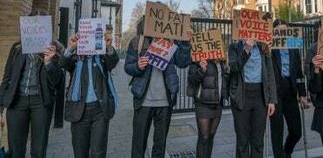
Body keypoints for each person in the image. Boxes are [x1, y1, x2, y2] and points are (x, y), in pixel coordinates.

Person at [124, 17, 192, 158]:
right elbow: (128, 67)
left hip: (165, 102)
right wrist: (138, 66)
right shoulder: (138, 41)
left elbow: (183, 63)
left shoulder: (171, 41)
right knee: (138, 145)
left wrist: (185, 43)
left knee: (160, 146)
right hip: (143, 101)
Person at [0, 11, 64, 158]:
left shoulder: (54, 49)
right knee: (16, 149)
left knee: (39, 149)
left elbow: (57, 82)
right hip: (17, 101)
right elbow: (6, 78)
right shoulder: (17, 48)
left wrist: (48, 62)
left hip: (41, 102)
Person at [60, 29, 119, 158]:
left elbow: (113, 62)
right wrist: (71, 48)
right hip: (79, 111)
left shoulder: (102, 57)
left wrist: (108, 47)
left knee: (98, 153)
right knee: (80, 153)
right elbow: (63, 63)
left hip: (100, 110)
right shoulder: (75, 58)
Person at [228, 35, 277, 158]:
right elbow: (233, 68)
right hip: (241, 96)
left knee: (258, 140)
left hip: (260, 97)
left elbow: (270, 74)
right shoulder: (234, 47)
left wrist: (271, 100)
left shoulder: (263, 47)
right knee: (242, 141)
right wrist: (246, 50)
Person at [270, 19, 308, 158]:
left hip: (291, 92)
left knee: (296, 131)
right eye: (279, 31)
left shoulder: (293, 49)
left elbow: (299, 74)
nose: (282, 33)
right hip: (275, 94)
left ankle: (287, 151)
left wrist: (302, 94)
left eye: (285, 30)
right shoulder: (270, 50)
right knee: (277, 130)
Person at [188, 56, 228, 158]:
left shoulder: (222, 58)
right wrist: (202, 70)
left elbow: (225, 78)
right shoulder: (198, 56)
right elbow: (192, 79)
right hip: (203, 103)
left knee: (211, 136)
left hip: (217, 103)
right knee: (204, 137)